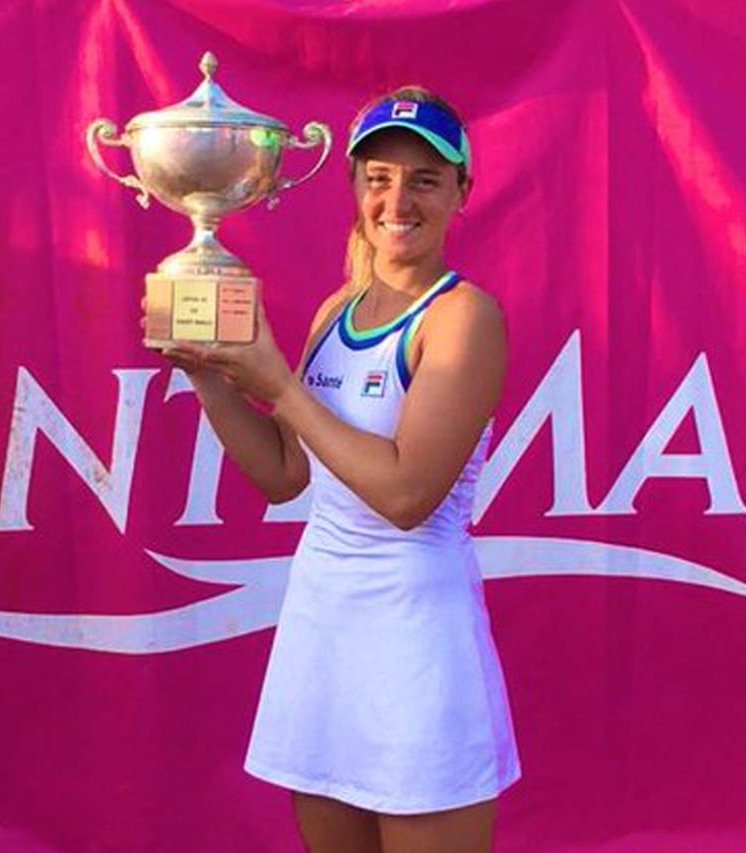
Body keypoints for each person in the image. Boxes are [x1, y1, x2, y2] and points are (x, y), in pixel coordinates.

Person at [162, 87, 520, 853]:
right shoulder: (335, 313)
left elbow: (405, 494)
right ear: (355, 186)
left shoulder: (465, 317)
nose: (398, 200)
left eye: (425, 180)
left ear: (461, 192)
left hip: (418, 643)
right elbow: (283, 473)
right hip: (323, 630)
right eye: (379, 177)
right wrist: (207, 373)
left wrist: (279, 386)